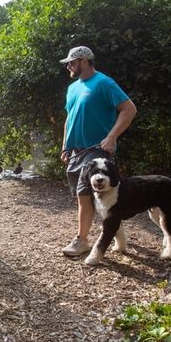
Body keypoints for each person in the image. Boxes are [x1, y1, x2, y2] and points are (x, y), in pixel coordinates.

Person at [58, 46, 137, 257]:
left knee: (85, 195)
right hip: (76, 151)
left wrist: (111, 137)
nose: (69, 66)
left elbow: (129, 109)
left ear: (84, 61)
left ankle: (81, 240)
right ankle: (115, 228)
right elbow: (69, 118)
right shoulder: (73, 88)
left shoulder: (104, 83)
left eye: (72, 62)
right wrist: (66, 145)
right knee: (86, 197)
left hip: (97, 152)